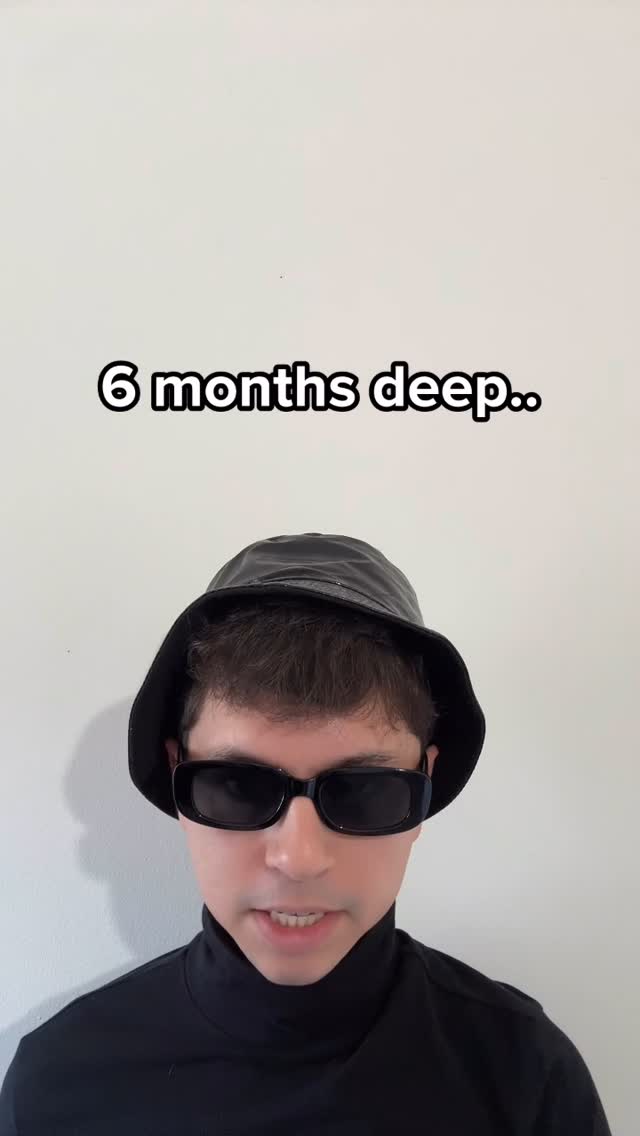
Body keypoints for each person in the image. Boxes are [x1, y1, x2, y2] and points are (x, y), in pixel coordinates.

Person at [0, 532, 612, 1134]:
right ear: (177, 774)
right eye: (237, 787)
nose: (298, 858)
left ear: (424, 786)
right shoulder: (57, 1084)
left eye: (365, 792)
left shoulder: (525, 1075)